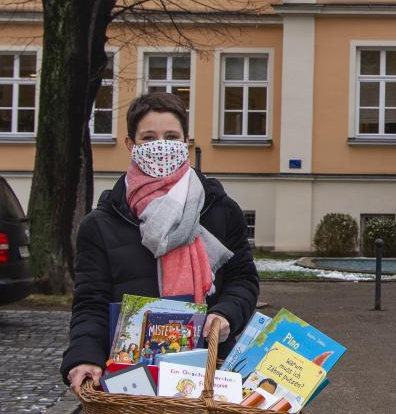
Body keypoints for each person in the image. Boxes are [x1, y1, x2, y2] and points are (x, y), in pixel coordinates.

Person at [61, 92, 260, 394]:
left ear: (186, 143)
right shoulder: (101, 225)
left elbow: (243, 279)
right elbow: (91, 303)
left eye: (171, 136)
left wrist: (227, 313)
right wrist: (85, 356)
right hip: (130, 379)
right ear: (130, 145)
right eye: (149, 137)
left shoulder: (219, 210)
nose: (161, 146)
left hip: (206, 373)